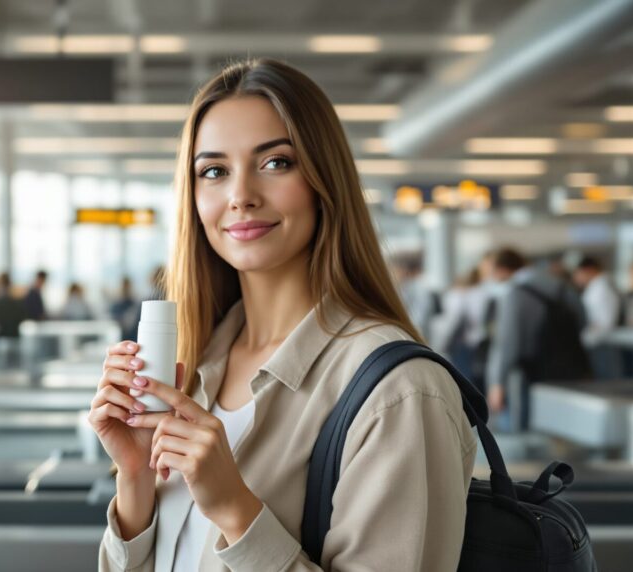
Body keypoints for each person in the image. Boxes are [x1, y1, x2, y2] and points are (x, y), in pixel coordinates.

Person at [91, 59, 475, 572]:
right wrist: (135, 480)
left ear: (323, 180)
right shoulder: (195, 366)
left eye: (276, 163)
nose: (241, 196)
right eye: (214, 171)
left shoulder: (399, 392)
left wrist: (235, 510)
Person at [486, 248, 589, 432]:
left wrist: (497, 382)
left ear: (501, 269)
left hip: (533, 372)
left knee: (529, 431)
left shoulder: (515, 293)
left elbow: (508, 342)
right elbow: (582, 320)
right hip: (571, 367)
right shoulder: (560, 285)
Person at [572, 255, 624, 379]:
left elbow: (606, 323)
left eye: (578, 273)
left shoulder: (602, 289)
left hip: (601, 344)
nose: (576, 278)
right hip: (597, 342)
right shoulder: (597, 287)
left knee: (607, 380)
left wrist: (587, 338)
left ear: (589, 270)